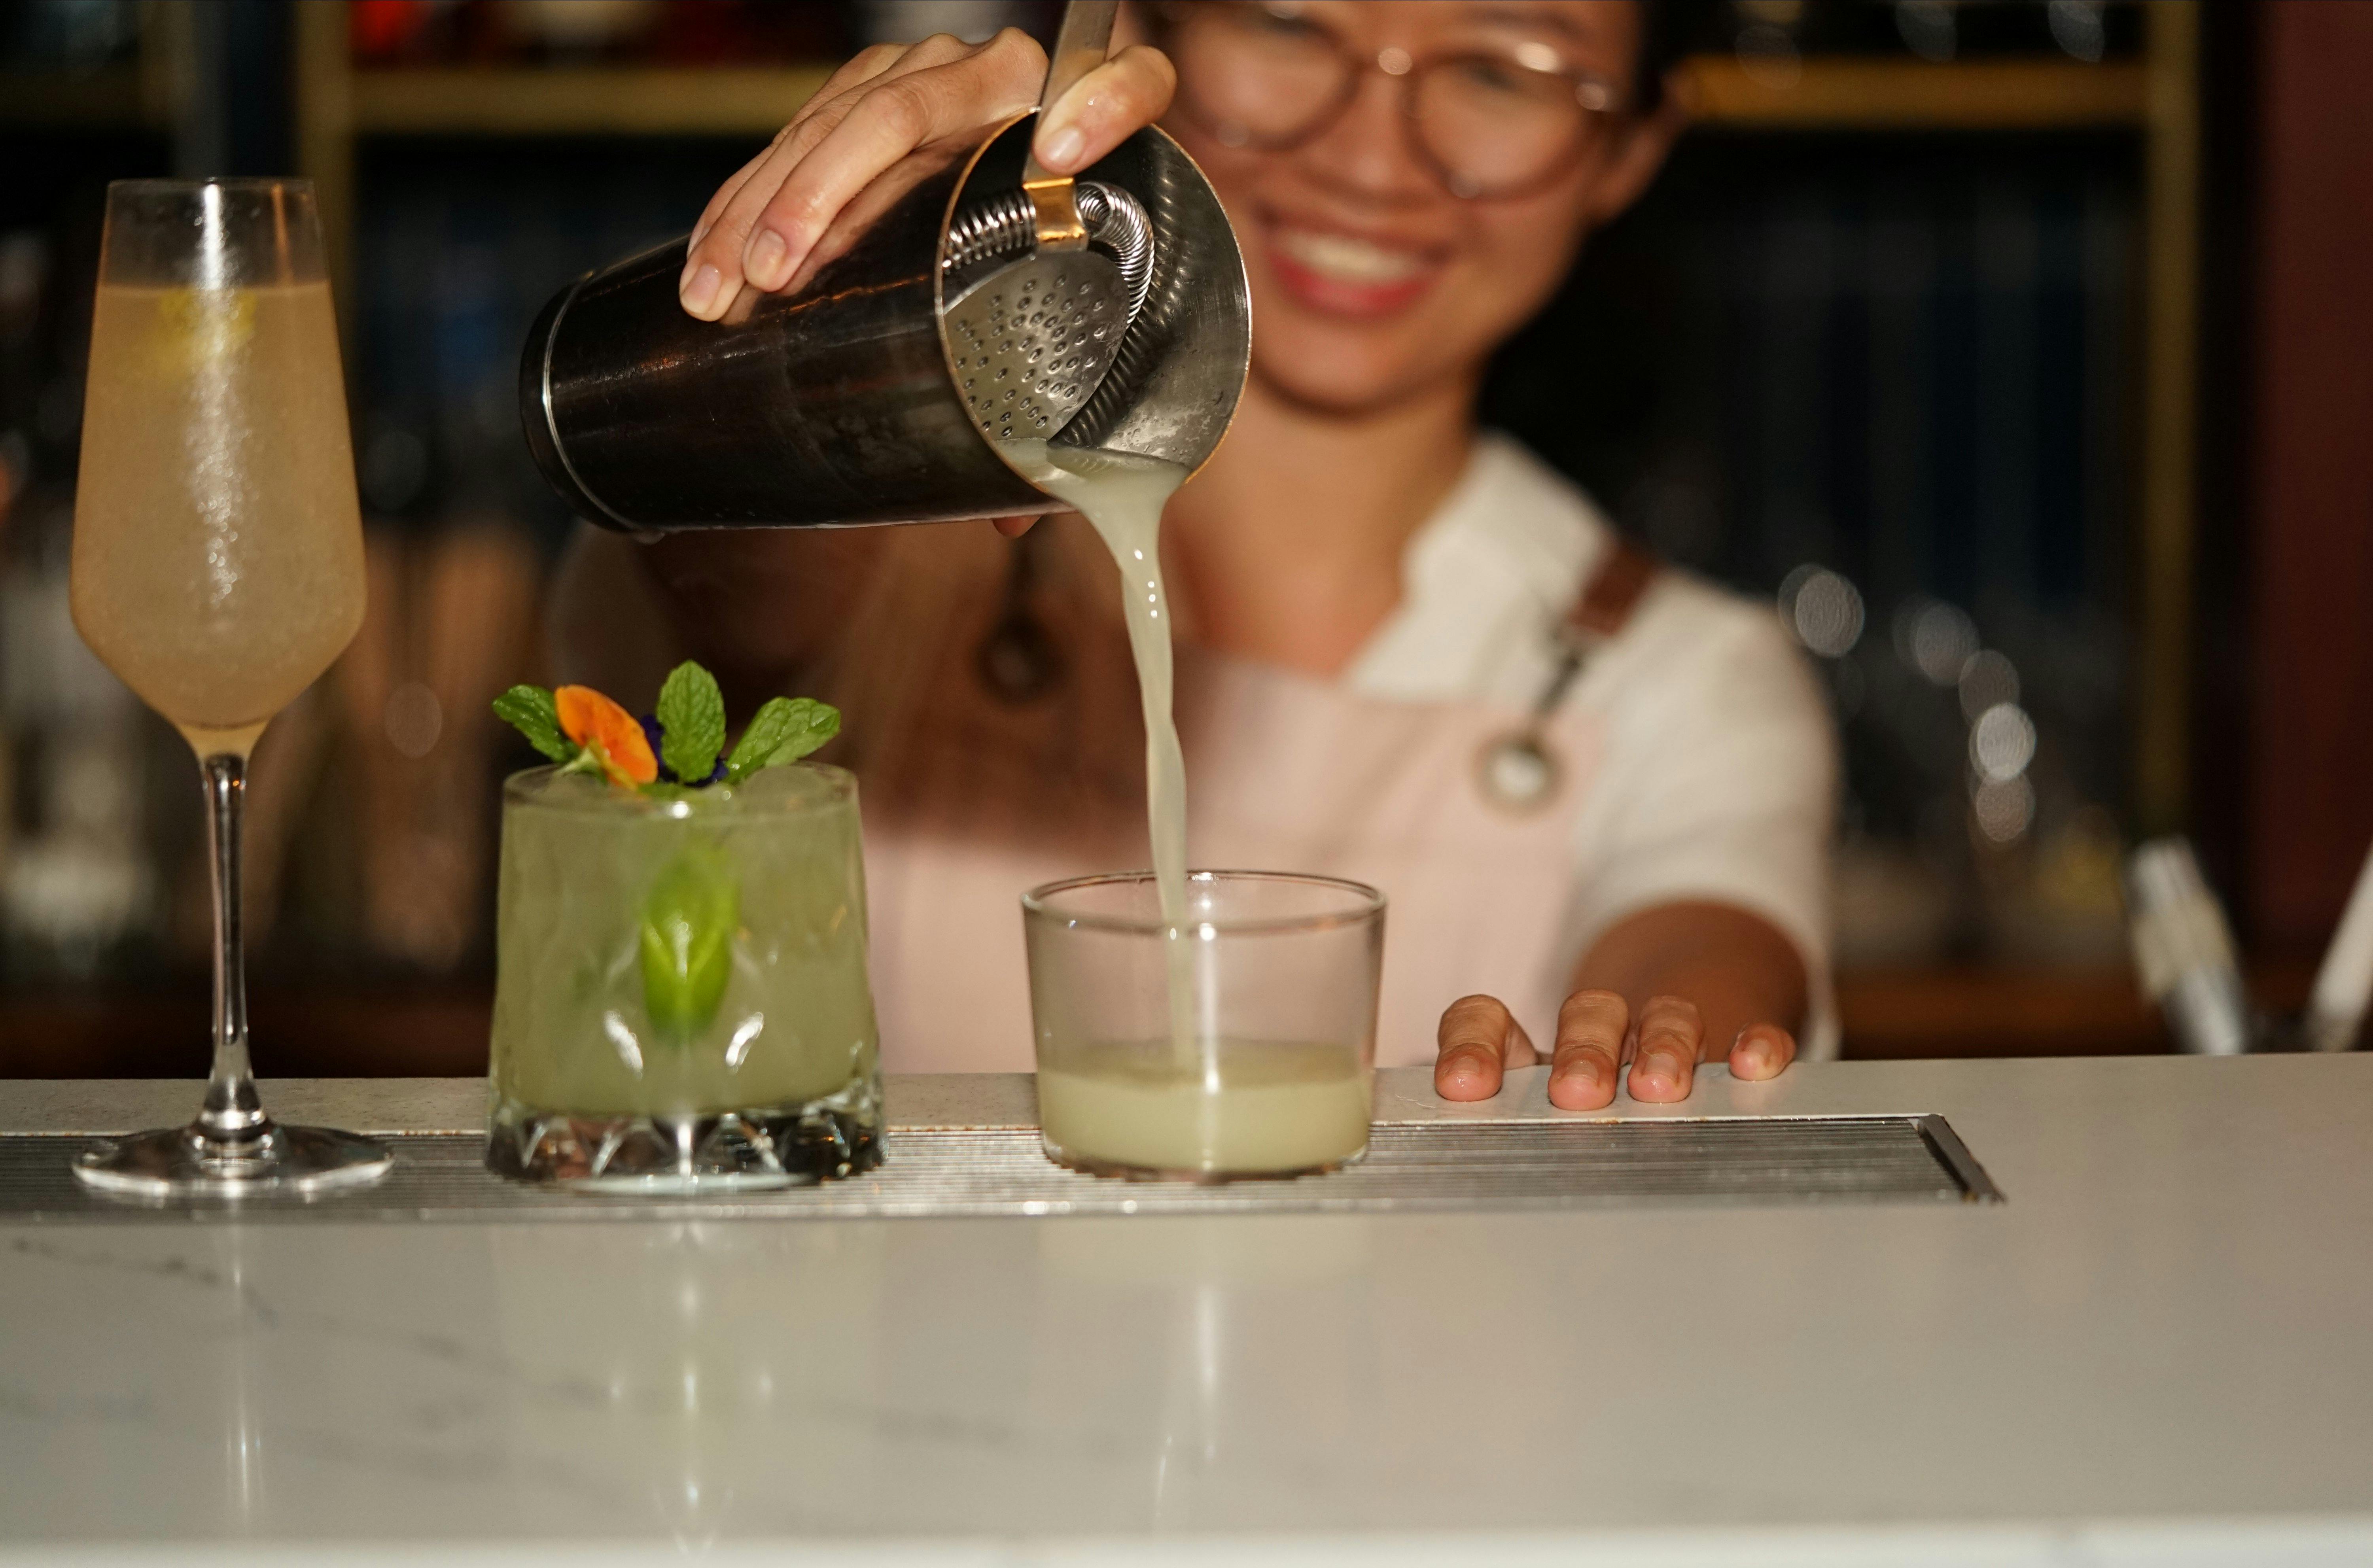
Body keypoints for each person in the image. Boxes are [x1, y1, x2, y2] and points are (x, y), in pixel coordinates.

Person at [556, 0, 1835, 1109]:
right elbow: (715, 596)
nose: (1371, 155)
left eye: (1503, 69)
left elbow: (1710, 966)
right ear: (1141, 45)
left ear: (1631, 146)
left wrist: (1650, 1053)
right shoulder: (885, 566)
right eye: (1289, 24)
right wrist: (830, 317)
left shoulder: (1684, 684)